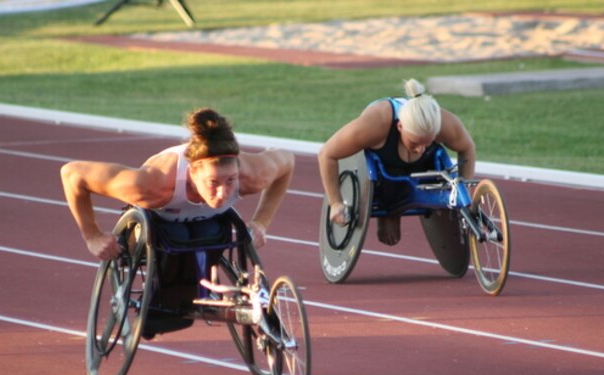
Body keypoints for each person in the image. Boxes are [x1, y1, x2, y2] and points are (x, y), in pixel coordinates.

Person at [61, 107, 295, 262]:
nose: (223, 192)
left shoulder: (253, 174)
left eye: (230, 180)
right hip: (158, 219)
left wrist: (262, 222)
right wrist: (92, 236)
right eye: (213, 182)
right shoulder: (151, 185)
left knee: (208, 232)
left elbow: (287, 161)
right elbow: (72, 174)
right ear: (193, 172)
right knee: (176, 236)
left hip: (209, 223)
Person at [317, 78, 476, 246]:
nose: (420, 149)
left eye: (427, 142)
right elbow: (327, 154)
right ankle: (390, 213)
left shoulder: (444, 123)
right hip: (385, 166)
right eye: (415, 143)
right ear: (400, 127)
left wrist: (464, 191)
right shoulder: (375, 123)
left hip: (423, 167)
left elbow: (467, 148)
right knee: (390, 177)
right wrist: (335, 202)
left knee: (433, 158)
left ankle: (398, 206)